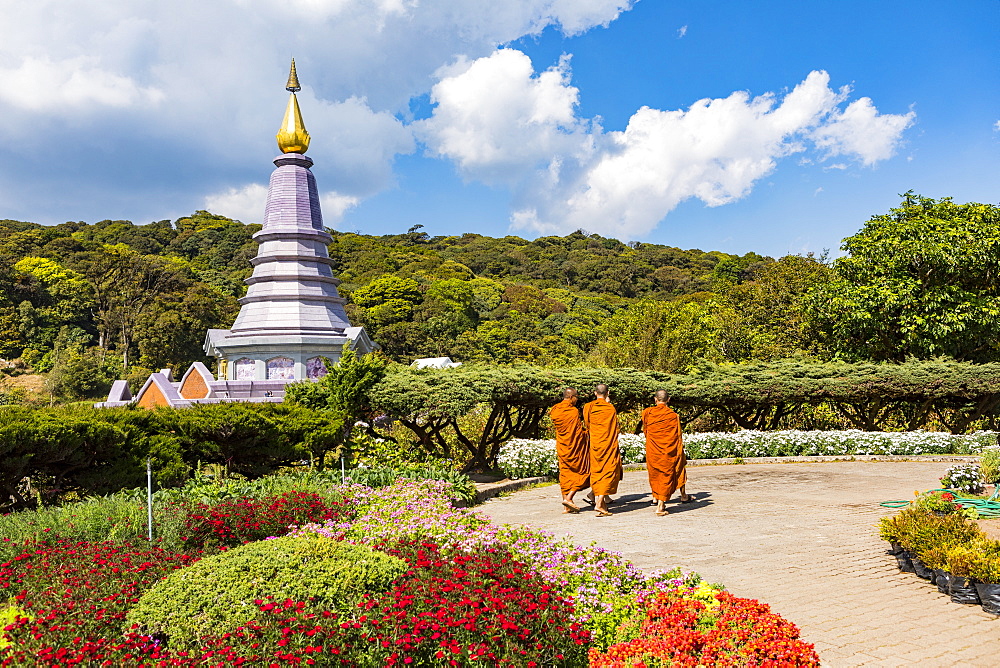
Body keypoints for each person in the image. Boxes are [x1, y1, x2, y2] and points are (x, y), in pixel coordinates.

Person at [637, 389, 691, 516]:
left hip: (654, 449)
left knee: (655, 473)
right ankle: (661, 505)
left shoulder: (648, 412)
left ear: (655, 399)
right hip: (669, 450)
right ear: (669, 400)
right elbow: (677, 435)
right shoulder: (673, 415)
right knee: (668, 472)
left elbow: (646, 430)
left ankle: (656, 498)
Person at [549, 387, 591, 513]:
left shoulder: (555, 410)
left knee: (565, 473)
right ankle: (568, 498)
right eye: (576, 397)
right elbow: (577, 432)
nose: (577, 400)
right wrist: (587, 433)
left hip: (563, 446)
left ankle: (567, 506)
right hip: (575, 447)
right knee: (585, 471)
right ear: (572, 397)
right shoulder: (572, 411)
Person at [583, 384, 622, 517]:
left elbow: (587, 424)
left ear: (595, 393)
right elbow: (615, 427)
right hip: (608, 445)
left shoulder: (588, 407)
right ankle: (599, 503)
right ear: (608, 393)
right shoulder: (610, 408)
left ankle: (596, 497)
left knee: (597, 471)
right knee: (608, 471)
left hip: (595, 444)